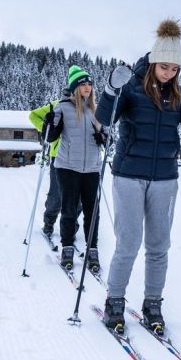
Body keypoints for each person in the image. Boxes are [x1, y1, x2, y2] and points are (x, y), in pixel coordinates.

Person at [95, 19, 181, 334]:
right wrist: (111, 90)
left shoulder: (180, 96)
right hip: (129, 175)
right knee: (129, 243)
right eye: (164, 67)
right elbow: (105, 118)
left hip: (165, 179)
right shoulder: (131, 88)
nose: (169, 73)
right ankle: (114, 302)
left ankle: (152, 304)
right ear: (154, 60)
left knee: (159, 246)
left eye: (175, 69)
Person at [52, 65, 108, 271]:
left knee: (93, 212)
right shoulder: (63, 107)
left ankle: (92, 249)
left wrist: (103, 137)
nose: (87, 87)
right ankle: (67, 247)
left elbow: (109, 139)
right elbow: (50, 136)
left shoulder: (97, 110)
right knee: (69, 209)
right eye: (83, 84)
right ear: (75, 87)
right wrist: (50, 124)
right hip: (68, 167)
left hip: (92, 168)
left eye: (90, 84)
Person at [28, 89, 71, 249]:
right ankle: (48, 224)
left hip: (79, 158)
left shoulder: (85, 107)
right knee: (56, 195)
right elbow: (33, 115)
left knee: (78, 198)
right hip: (58, 156)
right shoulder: (56, 105)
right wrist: (47, 129)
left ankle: (71, 227)